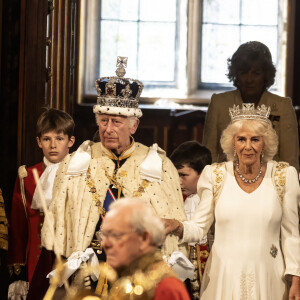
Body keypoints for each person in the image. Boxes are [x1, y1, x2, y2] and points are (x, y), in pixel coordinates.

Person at [27, 57, 187, 299]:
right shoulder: (75, 162)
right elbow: (59, 230)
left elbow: (173, 224)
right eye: (103, 121)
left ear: (133, 126)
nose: (108, 129)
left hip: (137, 274)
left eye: (116, 122)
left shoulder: (160, 166)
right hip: (86, 271)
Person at [163, 103, 300, 300]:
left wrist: (296, 279)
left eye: (255, 139)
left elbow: (291, 235)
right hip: (223, 276)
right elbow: (199, 227)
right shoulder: (215, 175)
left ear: (265, 143)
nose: (248, 146)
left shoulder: (283, 176)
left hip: (269, 274)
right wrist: (176, 226)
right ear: (232, 143)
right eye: (241, 139)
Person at [7, 108, 75, 299]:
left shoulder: (81, 175)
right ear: (39, 142)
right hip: (35, 263)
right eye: (47, 139)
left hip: (68, 262)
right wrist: (18, 273)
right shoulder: (26, 177)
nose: (53, 145)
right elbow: (18, 228)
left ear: (71, 141)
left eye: (59, 138)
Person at [202, 41, 299, 171]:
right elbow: (209, 157)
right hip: (226, 180)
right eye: (243, 73)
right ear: (236, 74)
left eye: (256, 73)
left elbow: (290, 161)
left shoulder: (283, 107)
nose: (249, 79)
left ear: (266, 75)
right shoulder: (219, 103)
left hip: (271, 182)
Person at [98, 197, 191, 300]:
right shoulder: (129, 278)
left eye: (115, 235)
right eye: (103, 235)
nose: (104, 244)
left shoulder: (165, 288)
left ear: (144, 238)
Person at [170, 141, 212, 299]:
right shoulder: (171, 199)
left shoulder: (215, 199)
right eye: (175, 175)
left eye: (183, 175)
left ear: (203, 174)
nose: (178, 181)